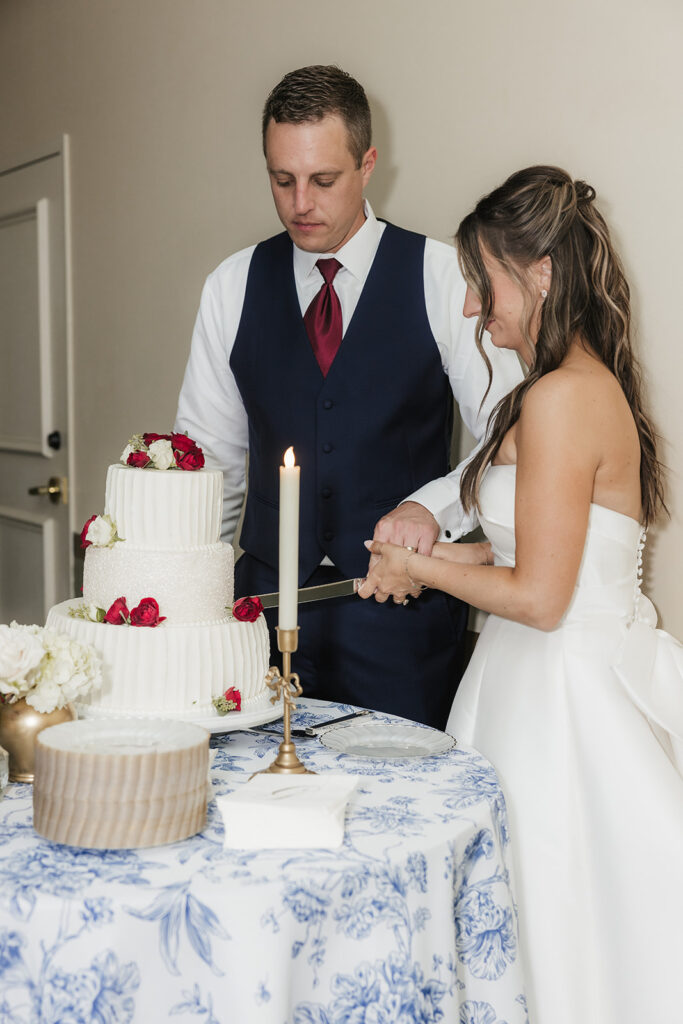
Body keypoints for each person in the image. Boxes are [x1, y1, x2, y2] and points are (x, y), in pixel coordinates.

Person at [360, 165, 683, 1021]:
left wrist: (420, 570)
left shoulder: (563, 397)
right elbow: (521, 551)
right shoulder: (555, 390)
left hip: (562, 700)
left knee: (558, 923)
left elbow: (540, 598)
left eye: (482, 281)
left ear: (539, 273)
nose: (471, 306)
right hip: (520, 680)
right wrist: (427, 553)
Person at [174, 65, 521, 728]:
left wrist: (429, 509)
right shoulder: (231, 285)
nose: (300, 203)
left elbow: (505, 441)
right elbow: (209, 464)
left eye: (323, 180)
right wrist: (194, 605)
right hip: (259, 617)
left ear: (367, 165)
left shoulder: (443, 275)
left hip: (402, 616)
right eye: (282, 179)